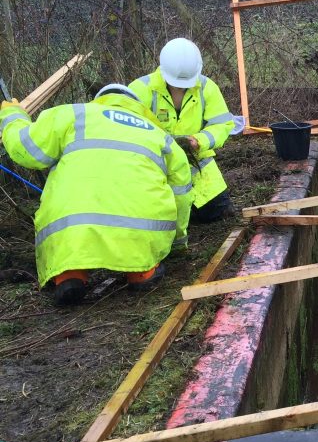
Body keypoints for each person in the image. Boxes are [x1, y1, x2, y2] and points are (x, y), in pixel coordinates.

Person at [0, 85, 193, 305]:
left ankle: (69, 276)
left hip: (73, 229)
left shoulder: (73, 114)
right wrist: (178, 241)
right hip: (142, 233)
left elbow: (24, 149)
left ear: (100, 100)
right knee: (143, 246)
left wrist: (12, 115)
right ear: (138, 106)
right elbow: (182, 196)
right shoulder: (160, 135)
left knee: (71, 242)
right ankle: (142, 272)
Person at [129, 38, 239, 223]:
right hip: (154, 164)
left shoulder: (207, 88)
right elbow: (130, 131)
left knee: (216, 211)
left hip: (195, 162)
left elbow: (222, 125)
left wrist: (199, 141)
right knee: (155, 214)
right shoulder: (140, 90)